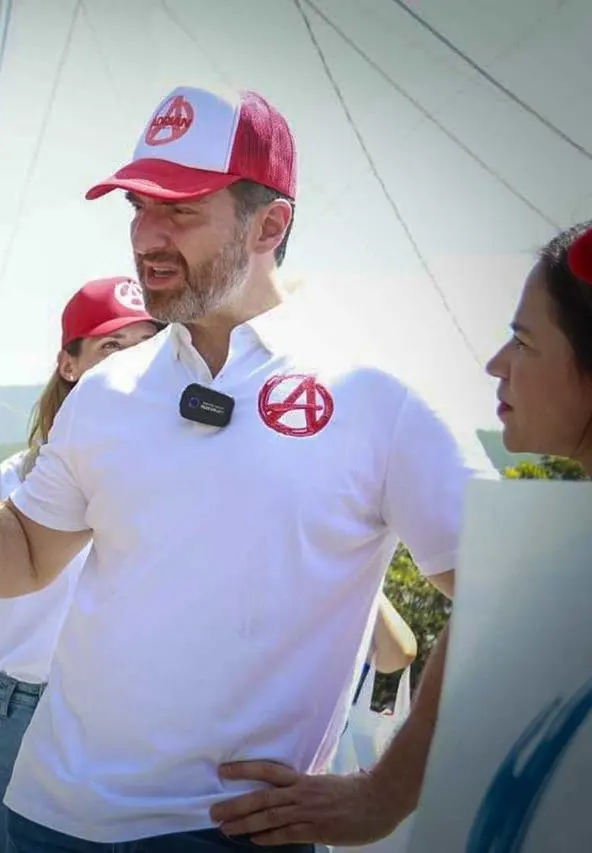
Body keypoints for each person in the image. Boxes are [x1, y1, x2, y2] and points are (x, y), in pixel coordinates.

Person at [0, 84, 496, 852]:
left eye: (179, 210)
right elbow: (19, 561)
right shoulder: (111, 389)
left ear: (270, 224)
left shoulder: (377, 393)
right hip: (44, 817)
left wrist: (386, 792)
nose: (147, 235)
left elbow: (500, 596)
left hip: (230, 832)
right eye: (137, 207)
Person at [208, 220, 592, 847]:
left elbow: (492, 605)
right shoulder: (564, 543)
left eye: (523, 342)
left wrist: (383, 794)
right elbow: (493, 605)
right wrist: (383, 793)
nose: (496, 364)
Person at [0, 277, 164, 853]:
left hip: (119, 732)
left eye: (147, 349)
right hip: (7, 718)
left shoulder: (179, 485)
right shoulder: (17, 478)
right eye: (111, 348)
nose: (131, 367)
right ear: (68, 364)